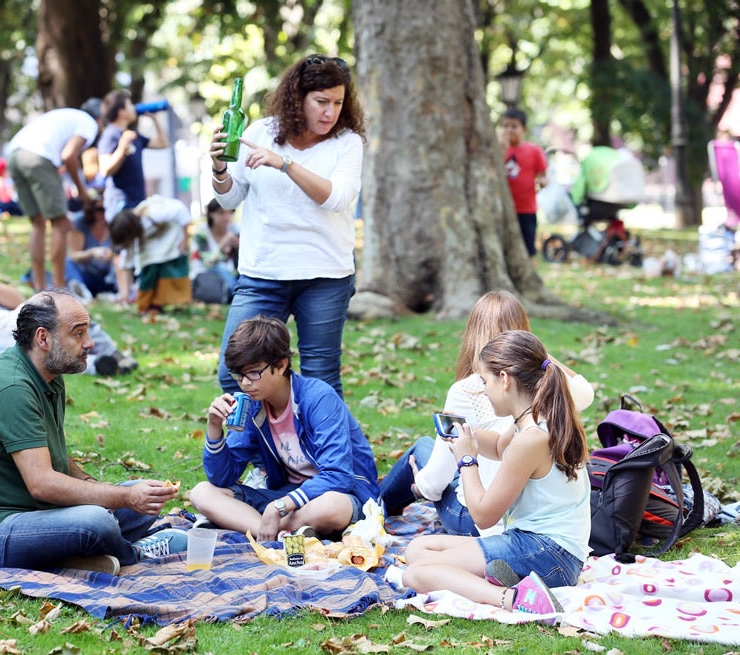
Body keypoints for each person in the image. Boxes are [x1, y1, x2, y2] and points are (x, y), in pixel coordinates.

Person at [0, 290, 187, 574]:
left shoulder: (49, 374)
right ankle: (134, 555)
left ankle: (82, 556)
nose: (90, 344)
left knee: (142, 496)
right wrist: (120, 499)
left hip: (35, 511)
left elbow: (55, 456)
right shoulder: (12, 388)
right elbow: (42, 484)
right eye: (78, 334)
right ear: (43, 338)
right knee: (99, 521)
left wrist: (101, 489)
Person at [387, 329, 591, 623]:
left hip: (549, 555)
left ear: (505, 379)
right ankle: (500, 580)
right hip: (542, 547)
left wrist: (466, 460)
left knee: (416, 573)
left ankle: (516, 598)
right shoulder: (537, 415)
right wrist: (463, 433)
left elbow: (483, 516)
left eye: (485, 381)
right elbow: (497, 446)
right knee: (419, 548)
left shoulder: (531, 439)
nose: (482, 390)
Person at [209, 54, 365, 397]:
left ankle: (323, 450)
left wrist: (285, 164)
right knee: (233, 372)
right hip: (264, 272)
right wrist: (219, 169)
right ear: (298, 98)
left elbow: (337, 197)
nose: (330, 112)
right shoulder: (260, 132)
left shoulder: (347, 142)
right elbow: (230, 198)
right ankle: (262, 446)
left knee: (321, 380)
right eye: (321, 101)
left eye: (338, 102)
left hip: (325, 275)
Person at [379, 290, 593, 536]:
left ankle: (374, 507)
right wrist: (536, 356)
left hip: (484, 519)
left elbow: (443, 487)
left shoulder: (468, 391)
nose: (484, 390)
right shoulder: (550, 389)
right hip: (529, 514)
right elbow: (585, 393)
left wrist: (421, 487)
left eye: (485, 383)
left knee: (422, 449)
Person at [188, 316, 381, 541]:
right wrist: (214, 428)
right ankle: (280, 532)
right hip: (286, 497)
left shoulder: (318, 398)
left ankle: (262, 526)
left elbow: (338, 475)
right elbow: (222, 477)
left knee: (331, 507)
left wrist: (277, 507)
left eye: (253, 373)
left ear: (281, 365)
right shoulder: (252, 406)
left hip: (343, 494)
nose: (245, 383)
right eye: (238, 375)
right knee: (202, 492)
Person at [0, 236, 137, 376]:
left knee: (63, 311)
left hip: (15, 315)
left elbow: (16, 299)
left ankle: (112, 353)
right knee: (44, 345)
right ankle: (99, 365)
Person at [6, 107, 102, 292]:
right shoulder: (89, 123)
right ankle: (59, 290)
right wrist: (82, 190)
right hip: (37, 156)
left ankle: (40, 287)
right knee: (61, 223)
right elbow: (68, 156)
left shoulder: (68, 116)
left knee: (38, 224)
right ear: (99, 119)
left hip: (14, 154)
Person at [109, 196, 192, 314]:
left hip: (170, 237)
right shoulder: (133, 235)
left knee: (157, 267)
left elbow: (181, 211)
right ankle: (149, 304)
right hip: (155, 241)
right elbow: (126, 262)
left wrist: (185, 240)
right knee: (148, 267)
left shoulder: (154, 213)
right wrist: (125, 294)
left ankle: (157, 303)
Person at [97, 90, 169, 221]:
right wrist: (122, 148)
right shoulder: (110, 135)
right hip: (120, 203)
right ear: (121, 112)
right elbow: (105, 169)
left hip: (138, 202)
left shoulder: (133, 135)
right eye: (130, 105)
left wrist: (155, 120)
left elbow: (163, 144)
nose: (134, 108)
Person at [501, 108, 547, 257]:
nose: (509, 130)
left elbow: (543, 174)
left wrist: (542, 182)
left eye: (514, 126)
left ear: (524, 129)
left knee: (528, 247)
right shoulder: (499, 150)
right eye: (505, 126)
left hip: (526, 208)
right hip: (504, 207)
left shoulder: (533, 150)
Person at [190, 199, 240, 300]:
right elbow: (207, 263)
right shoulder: (202, 233)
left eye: (229, 212)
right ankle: (235, 292)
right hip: (205, 274)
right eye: (221, 213)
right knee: (220, 266)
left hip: (231, 273)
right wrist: (222, 246)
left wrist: (239, 247)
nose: (226, 217)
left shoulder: (236, 229)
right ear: (211, 214)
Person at [66, 203, 118, 299]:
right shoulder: (81, 223)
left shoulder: (116, 224)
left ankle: (118, 292)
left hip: (110, 276)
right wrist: (92, 253)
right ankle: (80, 290)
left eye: (105, 209)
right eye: (99, 209)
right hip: (88, 275)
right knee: (67, 262)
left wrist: (112, 255)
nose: (102, 213)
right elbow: (74, 256)